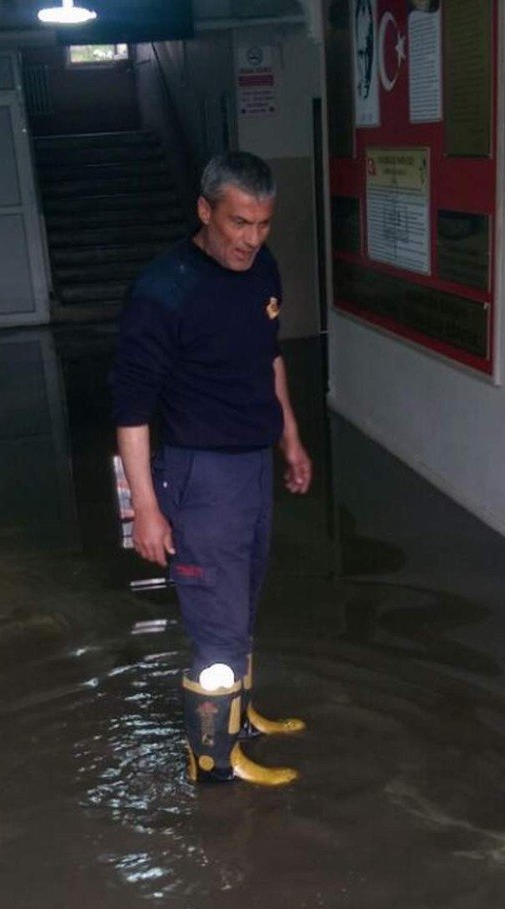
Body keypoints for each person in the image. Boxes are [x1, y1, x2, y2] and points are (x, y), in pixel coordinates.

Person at [112, 151, 312, 786]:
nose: (252, 240)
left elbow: (268, 360)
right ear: (205, 211)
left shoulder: (261, 271)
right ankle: (214, 760)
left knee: (240, 603)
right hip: (199, 475)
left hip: (251, 464)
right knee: (216, 622)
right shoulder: (163, 291)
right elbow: (131, 411)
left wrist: (292, 440)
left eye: (263, 224)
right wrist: (145, 507)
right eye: (238, 224)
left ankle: (240, 720)